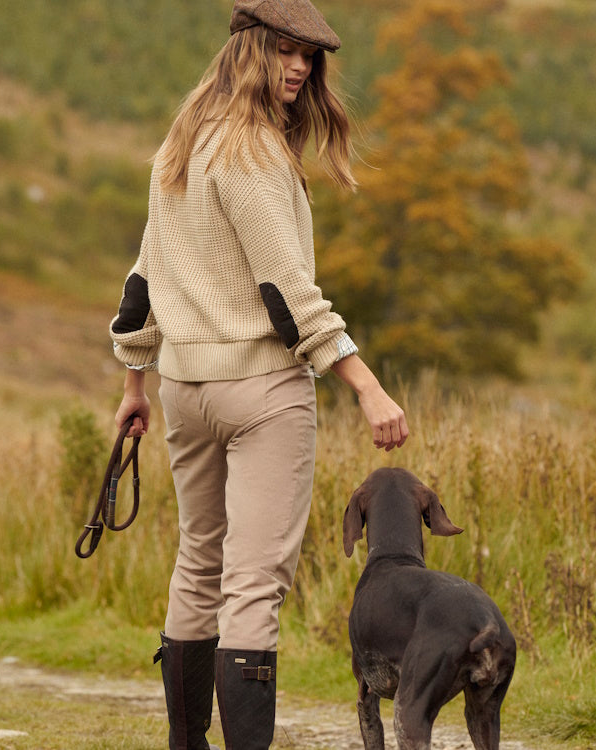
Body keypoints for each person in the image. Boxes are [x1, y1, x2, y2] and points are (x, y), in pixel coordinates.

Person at [110, 1, 409, 748]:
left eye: (309, 57)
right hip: (263, 393)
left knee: (197, 562)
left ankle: (187, 744)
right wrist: (367, 385)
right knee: (252, 583)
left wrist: (135, 383)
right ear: (248, 49)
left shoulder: (182, 143)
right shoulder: (254, 153)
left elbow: (146, 276)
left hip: (185, 390)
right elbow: (288, 292)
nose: (300, 68)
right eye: (285, 50)